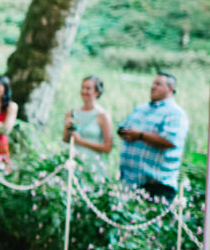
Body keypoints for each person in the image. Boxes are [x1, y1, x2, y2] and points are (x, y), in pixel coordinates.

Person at [118, 71, 188, 202]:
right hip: (130, 183)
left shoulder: (175, 113)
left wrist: (139, 135)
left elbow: (169, 141)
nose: (153, 87)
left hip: (156, 186)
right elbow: (123, 127)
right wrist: (124, 132)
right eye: (153, 83)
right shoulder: (140, 108)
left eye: (158, 84)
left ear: (170, 89)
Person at [62, 74, 113, 170]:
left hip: (93, 166)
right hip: (74, 164)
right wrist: (67, 128)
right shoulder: (72, 112)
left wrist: (81, 141)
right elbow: (65, 140)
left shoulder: (103, 115)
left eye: (88, 88)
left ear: (97, 92)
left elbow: (107, 147)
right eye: (83, 88)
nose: (84, 91)